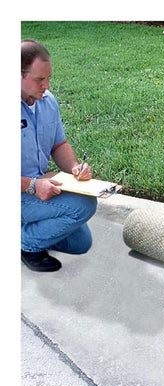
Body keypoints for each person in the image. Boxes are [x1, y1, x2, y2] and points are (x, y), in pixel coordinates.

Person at [21, 39, 97, 272]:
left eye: (48, 77)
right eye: (39, 79)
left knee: (80, 242)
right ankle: (26, 244)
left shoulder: (48, 102)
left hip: (35, 187)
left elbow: (58, 144)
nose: (46, 84)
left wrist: (74, 167)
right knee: (84, 206)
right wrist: (33, 186)